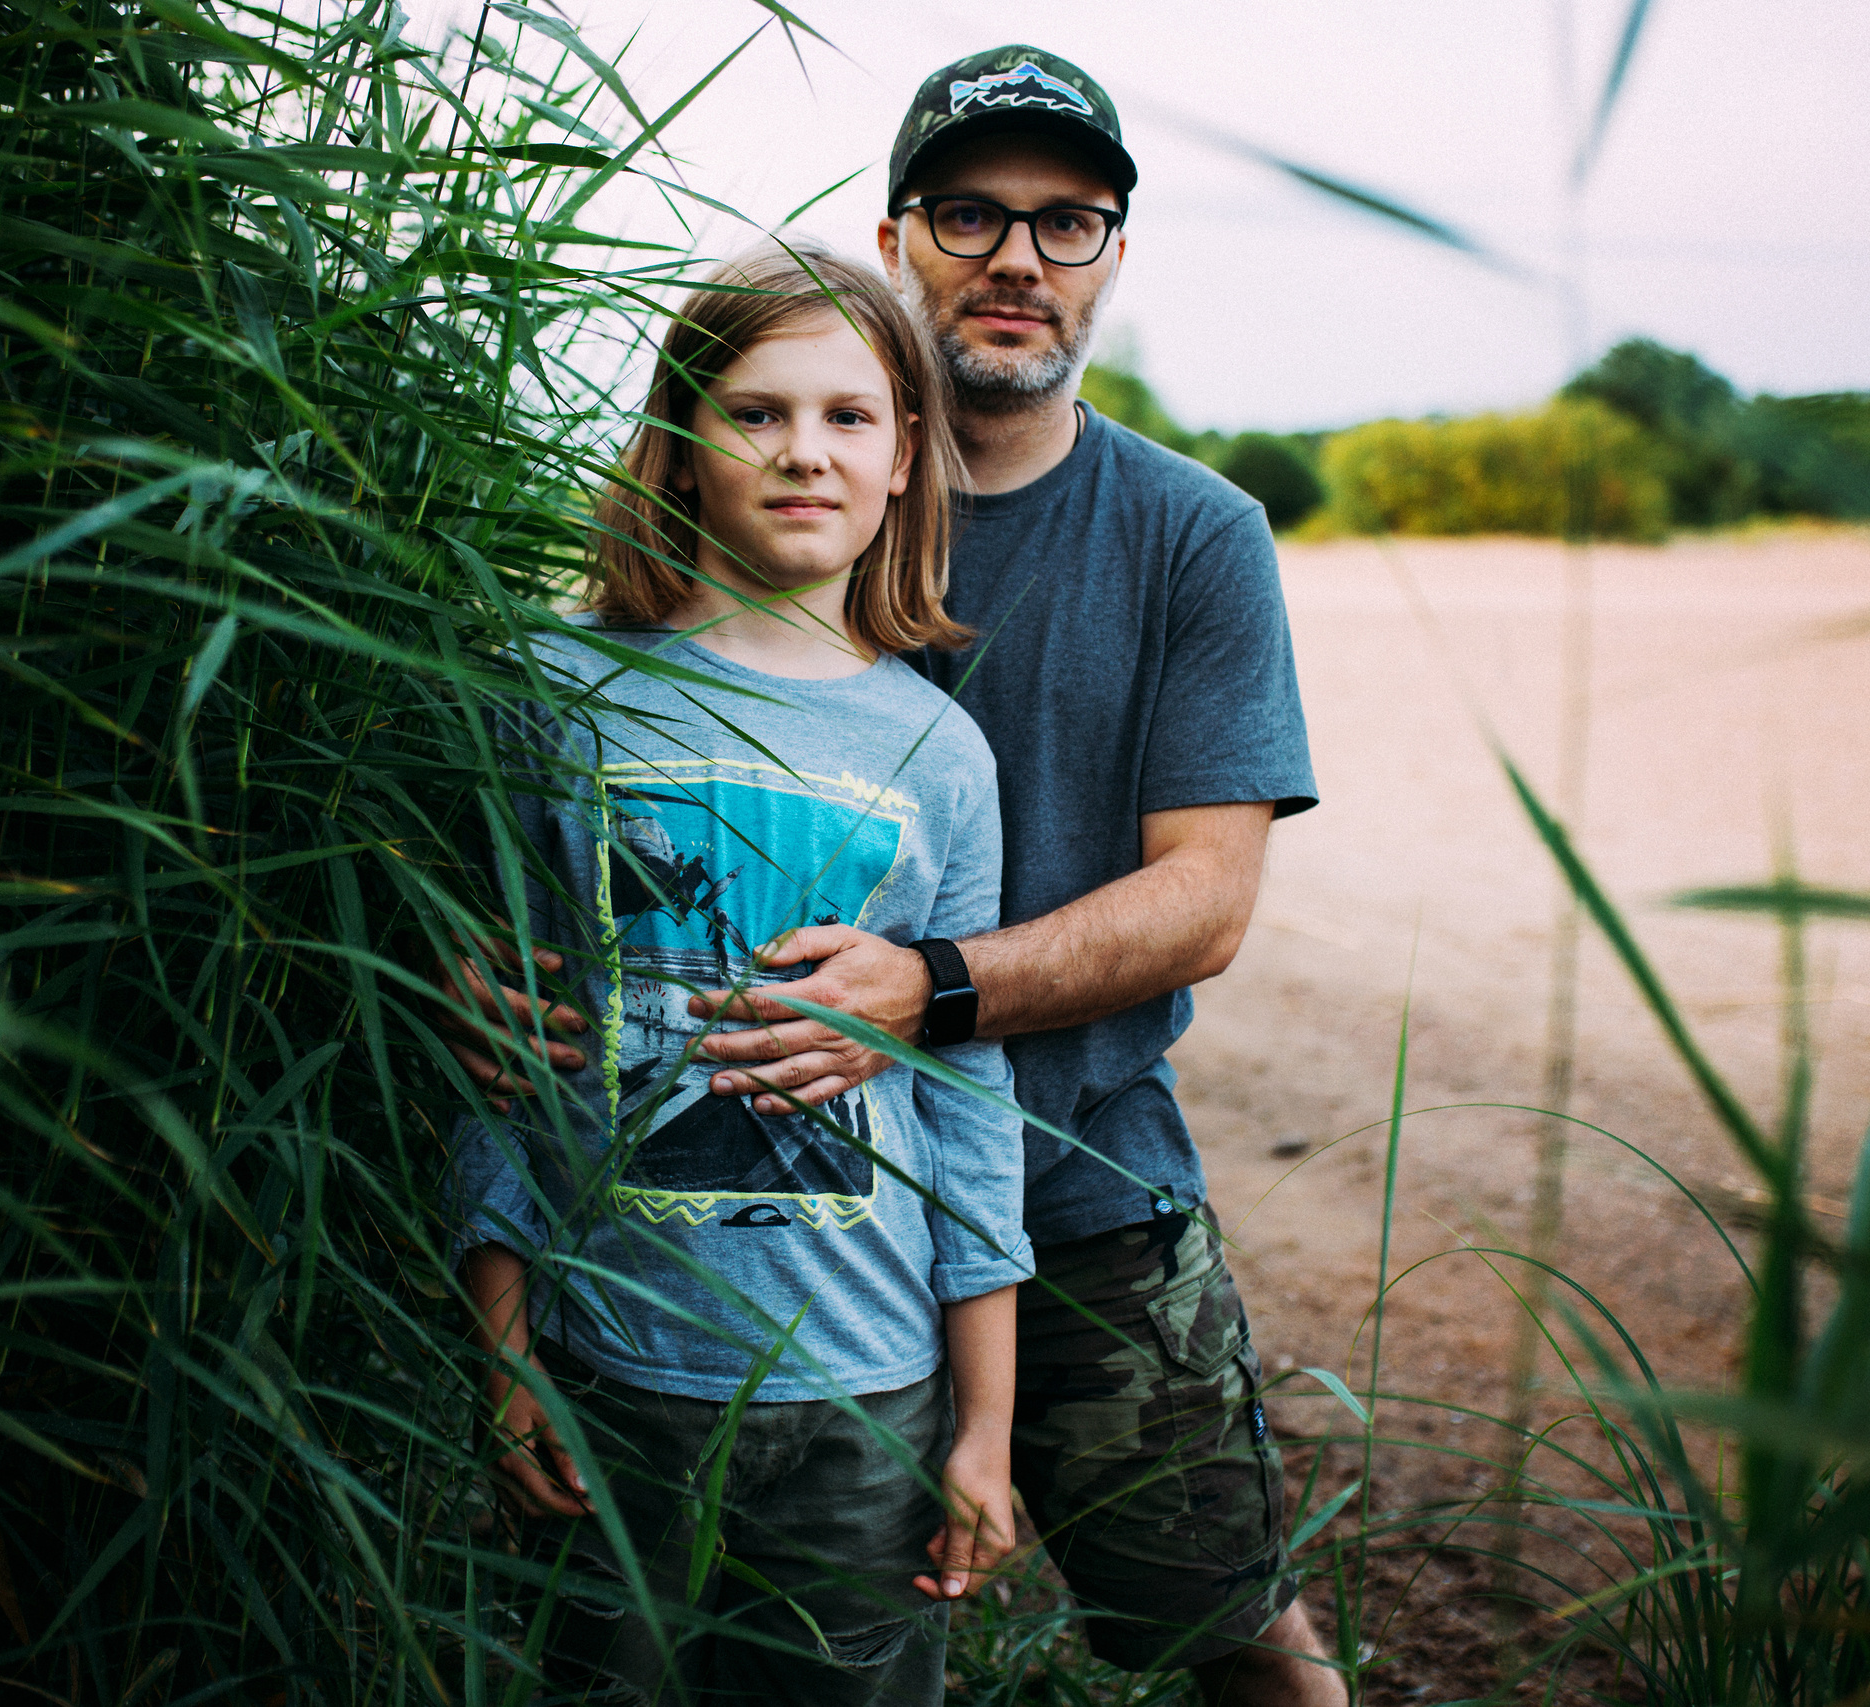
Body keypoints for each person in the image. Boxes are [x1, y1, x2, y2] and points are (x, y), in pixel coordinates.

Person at [677, 47, 1342, 1707]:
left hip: (1074, 1194)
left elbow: (1208, 897)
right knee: (740, 1647)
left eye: (1070, 222)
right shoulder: (772, 487)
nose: (1018, 260)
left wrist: (932, 990)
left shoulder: (1193, 534)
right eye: (972, 212)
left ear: (1117, 257)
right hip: (753, 1194)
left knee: (1243, 1642)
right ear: (895, 240)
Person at [448, 242, 1031, 1707]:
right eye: (756, 411)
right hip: (606, 1374)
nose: (803, 454)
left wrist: (984, 1424)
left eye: (849, 417)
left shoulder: (939, 752)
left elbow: (968, 1092)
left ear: (907, 456)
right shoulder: (551, 690)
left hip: (865, 1397)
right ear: (680, 441)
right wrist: (504, 1349)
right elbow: (500, 1053)